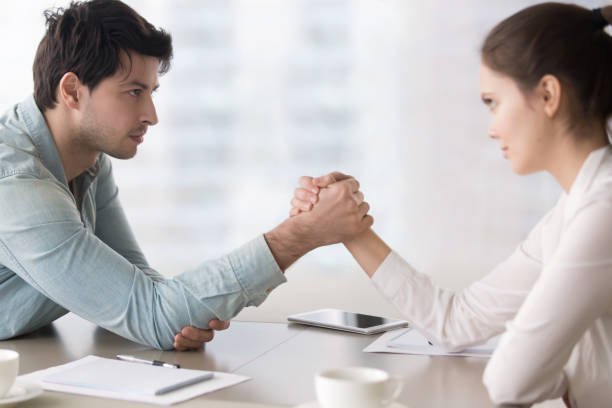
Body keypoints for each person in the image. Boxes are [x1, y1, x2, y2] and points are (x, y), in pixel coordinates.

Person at [0, 0, 373, 351]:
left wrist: (181, 313)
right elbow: (154, 314)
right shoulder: (17, 184)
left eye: (152, 92)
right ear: (71, 91)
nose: (151, 114)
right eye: (134, 92)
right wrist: (300, 234)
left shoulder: (88, 160)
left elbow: (142, 287)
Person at [291, 3, 612, 407]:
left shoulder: (602, 215)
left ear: (548, 95)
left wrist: (561, 375)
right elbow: (455, 323)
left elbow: (511, 383)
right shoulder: (576, 211)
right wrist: (352, 230)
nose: (492, 128)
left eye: (493, 102)